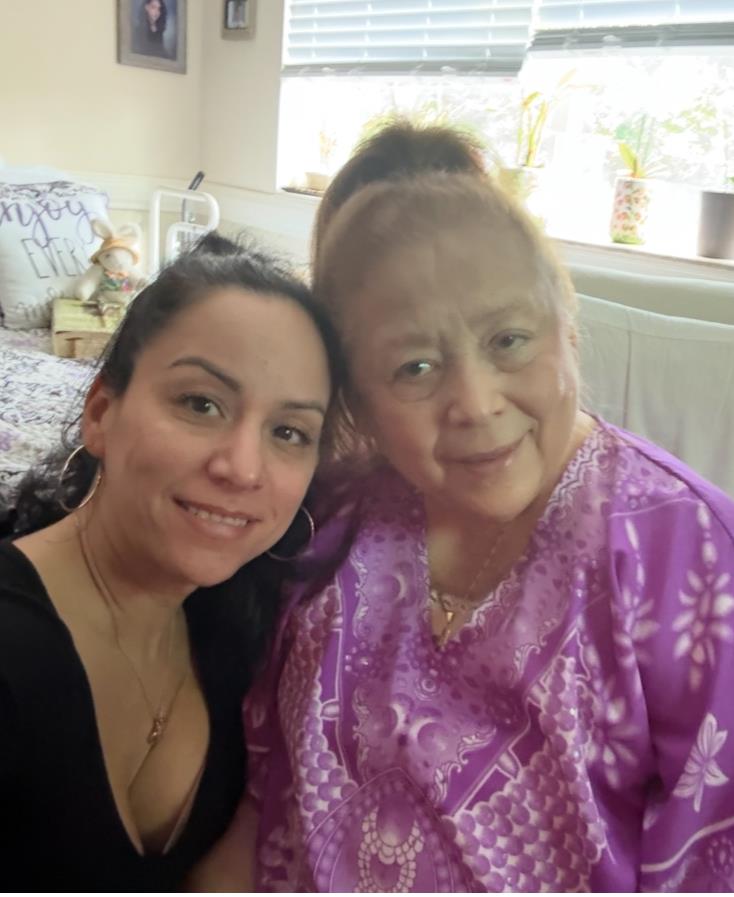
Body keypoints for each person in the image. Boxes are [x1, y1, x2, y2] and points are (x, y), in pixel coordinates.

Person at [210, 123, 734, 892]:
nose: (476, 403)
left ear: (569, 326)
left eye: (510, 340)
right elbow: (262, 807)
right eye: (414, 366)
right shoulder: (332, 523)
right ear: (357, 397)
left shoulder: (689, 554)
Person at [0, 233, 338, 891]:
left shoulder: (239, 630)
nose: (241, 468)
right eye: (200, 403)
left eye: (289, 432)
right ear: (101, 413)